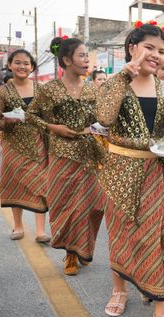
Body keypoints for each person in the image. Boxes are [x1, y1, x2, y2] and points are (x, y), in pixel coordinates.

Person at [95, 22, 164, 317]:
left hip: (156, 172)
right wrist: (124, 76)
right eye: (150, 48)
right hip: (119, 170)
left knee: (161, 237)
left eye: (162, 51)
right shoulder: (114, 84)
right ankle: (119, 291)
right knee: (121, 234)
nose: (157, 56)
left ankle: (161, 315)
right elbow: (105, 118)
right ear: (132, 48)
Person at [26, 37, 105, 276]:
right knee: (65, 205)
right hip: (61, 153)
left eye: (87, 56)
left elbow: (101, 120)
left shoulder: (93, 89)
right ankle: (70, 252)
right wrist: (52, 127)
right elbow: (31, 115)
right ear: (67, 60)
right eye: (82, 55)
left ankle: (84, 247)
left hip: (90, 153)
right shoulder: (49, 89)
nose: (87, 60)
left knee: (94, 205)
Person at [0, 49, 50, 243]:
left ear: (32, 67)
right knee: (16, 185)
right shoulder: (2, 92)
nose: (22, 66)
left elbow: (49, 117)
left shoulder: (42, 90)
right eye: (17, 62)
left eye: (26, 63)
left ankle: (40, 231)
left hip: (39, 144)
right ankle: (18, 226)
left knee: (41, 185)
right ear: (10, 65)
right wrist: (9, 120)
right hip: (14, 146)